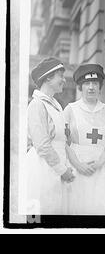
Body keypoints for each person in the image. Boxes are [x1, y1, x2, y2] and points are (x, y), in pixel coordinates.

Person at [64, 64, 105, 215]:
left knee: (100, 207)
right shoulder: (71, 109)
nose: (91, 87)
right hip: (77, 166)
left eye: (95, 83)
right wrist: (78, 165)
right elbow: (62, 141)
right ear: (80, 87)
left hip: (101, 166)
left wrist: (99, 163)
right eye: (86, 84)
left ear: (100, 86)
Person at [26, 57, 75, 215]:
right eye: (60, 76)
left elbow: (60, 141)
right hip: (42, 170)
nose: (64, 80)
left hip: (56, 171)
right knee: (39, 215)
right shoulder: (37, 105)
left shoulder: (55, 105)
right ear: (48, 77)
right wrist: (62, 170)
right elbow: (42, 145)